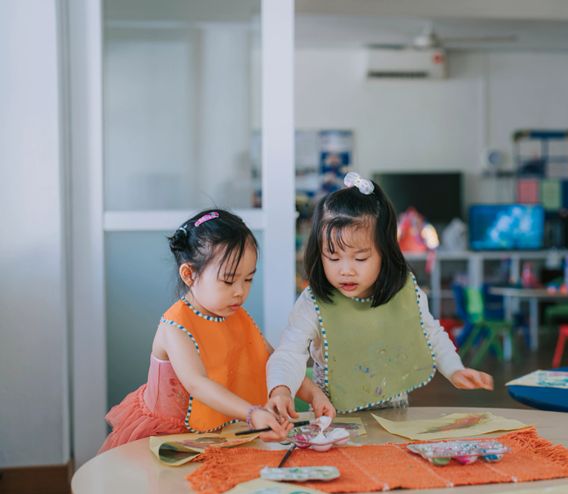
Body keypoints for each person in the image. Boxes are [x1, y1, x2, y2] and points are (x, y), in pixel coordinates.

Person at [97, 209, 331, 453]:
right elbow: (197, 384)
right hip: (168, 436)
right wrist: (251, 413)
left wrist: (313, 394)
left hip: (215, 433)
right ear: (189, 274)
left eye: (248, 279)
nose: (240, 291)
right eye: (229, 281)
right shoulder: (174, 327)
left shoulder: (236, 316)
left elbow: (275, 362)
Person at [267, 173, 493, 420]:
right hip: (333, 416)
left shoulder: (404, 292)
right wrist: (281, 389)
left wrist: (454, 369)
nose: (346, 270)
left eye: (360, 258)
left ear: (385, 252)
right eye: (333, 257)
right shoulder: (313, 303)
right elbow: (289, 352)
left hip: (394, 413)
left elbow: (431, 334)